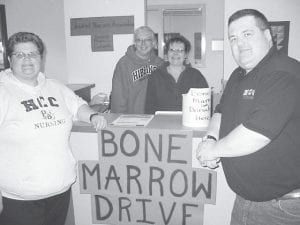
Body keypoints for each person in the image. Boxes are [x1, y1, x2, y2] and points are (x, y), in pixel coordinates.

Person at [197, 9, 300, 225]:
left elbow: (257, 133)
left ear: (268, 36)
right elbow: (221, 111)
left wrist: (213, 151)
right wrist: (210, 139)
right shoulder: (238, 74)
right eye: (233, 38)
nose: (239, 43)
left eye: (247, 34)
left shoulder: (284, 72)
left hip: (281, 208)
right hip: (246, 200)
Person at [0, 32, 107, 225]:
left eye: (33, 54)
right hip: (20, 199)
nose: (27, 60)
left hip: (59, 191)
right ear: (9, 59)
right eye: (20, 55)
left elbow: (78, 105)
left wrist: (92, 115)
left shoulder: (55, 87)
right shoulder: (3, 92)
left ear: (41, 58)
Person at [144, 35, 208, 114]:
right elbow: (149, 107)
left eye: (180, 50)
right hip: (161, 124)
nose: (175, 53)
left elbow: (204, 107)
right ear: (167, 53)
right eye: (172, 50)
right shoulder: (155, 76)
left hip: (189, 124)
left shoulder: (196, 76)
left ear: (185, 55)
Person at [110, 26, 164, 114]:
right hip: (132, 119)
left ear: (153, 43)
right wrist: (119, 119)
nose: (143, 44)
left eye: (147, 40)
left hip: (155, 119)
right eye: (139, 40)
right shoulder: (123, 64)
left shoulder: (160, 64)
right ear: (135, 43)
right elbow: (118, 98)